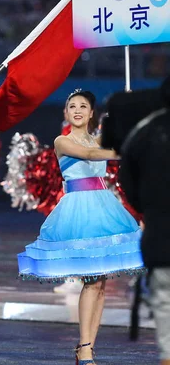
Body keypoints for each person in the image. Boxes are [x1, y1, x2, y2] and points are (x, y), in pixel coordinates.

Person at [17, 90, 144, 364]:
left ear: (90, 113)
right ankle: (84, 348)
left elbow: (116, 135)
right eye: (72, 106)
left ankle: (87, 347)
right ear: (66, 113)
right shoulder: (62, 141)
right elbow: (89, 153)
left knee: (100, 284)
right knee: (91, 279)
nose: (77, 110)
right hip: (78, 211)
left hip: (103, 207)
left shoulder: (96, 137)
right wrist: (123, 151)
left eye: (82, 106)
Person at [114, 77, 170, 365]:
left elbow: (129, 184)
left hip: (160, 238)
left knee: (165, 303)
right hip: (160, 236)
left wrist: (152, 211)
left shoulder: (143, 132)